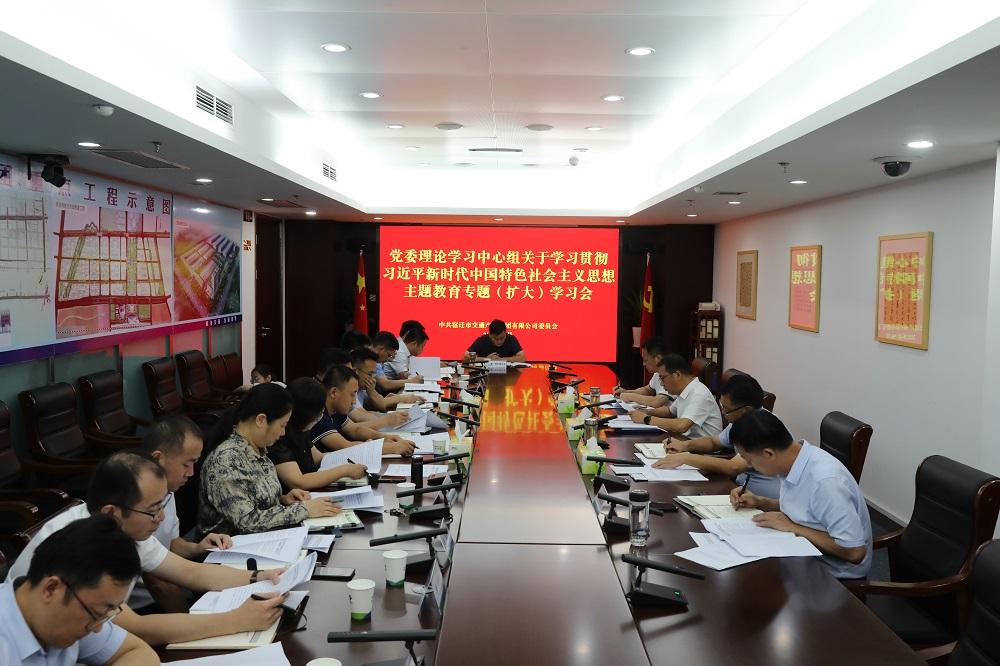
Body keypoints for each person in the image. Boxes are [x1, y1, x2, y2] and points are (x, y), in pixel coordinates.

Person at [6, 450, 289, 646]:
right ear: (112, 512)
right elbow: (136, 628)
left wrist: (259, 577)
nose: (162, 518)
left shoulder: (118, 527)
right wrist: (236, 620)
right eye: (153, 510)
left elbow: (190, 573)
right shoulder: (79, 547)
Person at [728, 410, 872, 580]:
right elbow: (803, 509)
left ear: (769, 454)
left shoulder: (825, 481)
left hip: (832, 575)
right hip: (801, 553)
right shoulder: (794, 460)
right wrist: (760, 502)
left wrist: (793, 528)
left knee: (745, 580)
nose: (748, 465)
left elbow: (854, 552)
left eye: (749, 459)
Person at [1, 514, 157, 665]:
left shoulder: (69, 609)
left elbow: (139, 652)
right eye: (96, 614)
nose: (97, 629)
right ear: (51, 589)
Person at [198, 383, 345, 537]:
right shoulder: (226, 461)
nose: (283, 433)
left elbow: (257, 503)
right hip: (231, 546)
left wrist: (283, 501)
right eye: (282, 425)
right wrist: (304, 510)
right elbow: (246, 522)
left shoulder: (259, 450)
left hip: (266, 537)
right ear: (261, 420)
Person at [130, 415, 234, 613]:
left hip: (171, 584)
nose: (191, 473)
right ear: (157, 458)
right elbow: (158, 585)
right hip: (145, 605)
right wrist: (191, 621)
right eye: (186, 464)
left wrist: (198, 548)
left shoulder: (167, 489)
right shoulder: (136, 503)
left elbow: (171, 543)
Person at [652, 373, 781, 498]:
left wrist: (685, 458)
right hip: (739, 492)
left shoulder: (762, 428)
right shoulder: (742, 420)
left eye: (727, 409)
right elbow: (713, 442)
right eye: (721, 406)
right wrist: (684, 445)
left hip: (762, 501)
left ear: (746, 409)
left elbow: (733, 467)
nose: (723, 412)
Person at [269, 376, 368, 491]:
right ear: (305, 412)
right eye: (319, 412)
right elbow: (299, 482)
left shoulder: (300, 430)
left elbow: (318, 458)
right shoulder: (278, 437)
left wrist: (358, 455)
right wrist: (344, 470)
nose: (320, 416)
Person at [309, 364, 416, 456]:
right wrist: (392, 448)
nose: (354, 401)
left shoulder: (335, 409)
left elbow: (355, 430)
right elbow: (345, 446)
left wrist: (383, 437)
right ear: (333, 392)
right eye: (352, 395)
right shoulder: (318, 415)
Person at [629, 353, 723, 438]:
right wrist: (646, 412)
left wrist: (646, 419)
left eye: (663, 378)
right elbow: (670, 411)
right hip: (686, 442)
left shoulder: (699, 394)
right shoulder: (686, 389)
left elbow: (681, 426)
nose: (661, 384)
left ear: (677, 375)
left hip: (702, 449)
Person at [346, 347, 413, 429]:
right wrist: (389, 418)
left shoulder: (362, 387)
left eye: (373, 374)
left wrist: (371, 392)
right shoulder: (348, 389)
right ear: (355, 371)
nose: (373, 379)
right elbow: (361, 416)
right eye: (370, 374)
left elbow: (380, 405)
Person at [614, 337, 672, 408]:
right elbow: (648, 390)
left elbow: (656, 402)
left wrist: (631, 396)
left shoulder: (671, 373)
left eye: (645, 360)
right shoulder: (657, 372)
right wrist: (626, 392)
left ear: (658, 358)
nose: (644, 364)